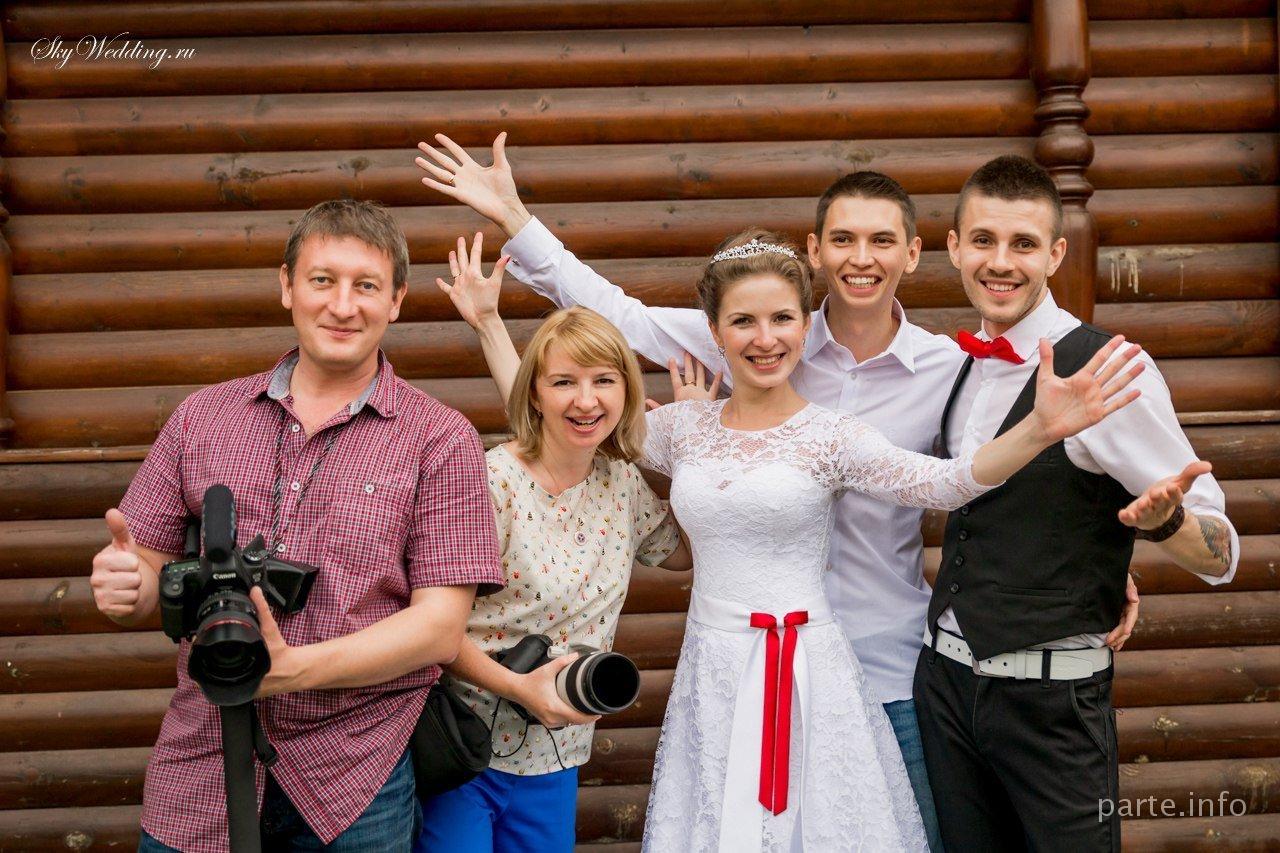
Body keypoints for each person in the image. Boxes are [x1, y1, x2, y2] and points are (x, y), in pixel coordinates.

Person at [414, 132, 1141, 850]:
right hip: (718, 670)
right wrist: (505, 261)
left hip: (853, 664)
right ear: (715, 332)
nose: (765, 337)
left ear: (912, 254)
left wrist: (1081, 528)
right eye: (745, 323)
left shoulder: (896, 398)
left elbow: (952, 482)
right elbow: (570, 416)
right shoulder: (688, 423)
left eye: (782, 320)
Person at [88, 200, 505, 853]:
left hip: (357, 775)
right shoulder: (202, 417)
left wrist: (294, 670)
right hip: (201, 758)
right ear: (287, 286)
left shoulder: (440, 438)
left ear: (396, 301)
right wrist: (130, 584)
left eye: (366, 285)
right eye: (322, 280)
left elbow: (439, 627)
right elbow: (146, 565)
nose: (343, 305)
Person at [914, 155, 1240, 851]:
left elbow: (1221, 552)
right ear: (954, 247)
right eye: (984, 240)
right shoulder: (963, 365)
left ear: (1056, 254)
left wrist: (1169, 523)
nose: (1001, 262)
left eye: (1024, 244)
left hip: (1051, 706)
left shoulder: (1110, 369)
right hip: (944, 687)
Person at [413, 235, 692, 852]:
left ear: (627, 391)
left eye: (604, 380)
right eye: (564, 382)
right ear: (535, 393)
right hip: (464, 749)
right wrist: (519, 689)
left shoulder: (622, 484)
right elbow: (431, 628)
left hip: (556, 754)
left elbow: (686, 553)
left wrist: (699, 449)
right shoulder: (489, 482)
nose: (586, 400)